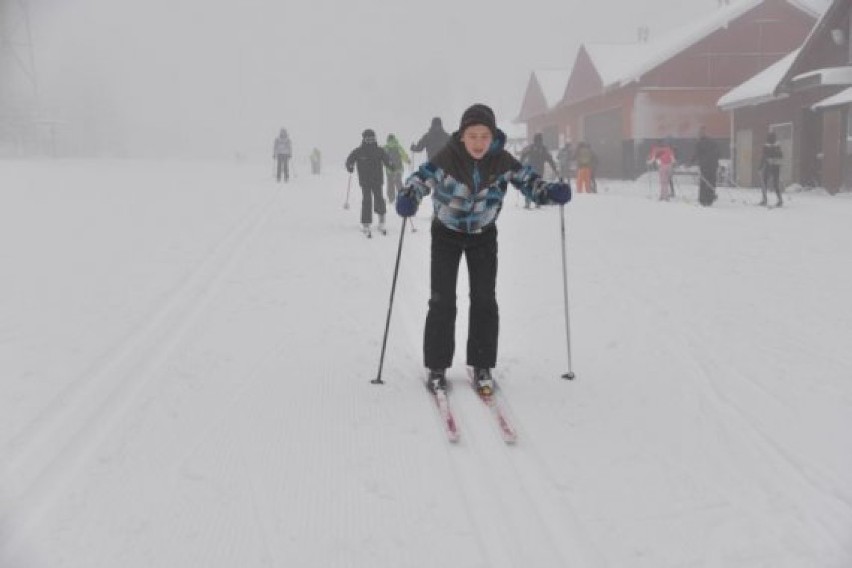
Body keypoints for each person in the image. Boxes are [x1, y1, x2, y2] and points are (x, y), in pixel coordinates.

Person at [394, 103, 571, 396]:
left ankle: (482, 364)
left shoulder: (501, 161)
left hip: (483, 236)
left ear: (492, 137)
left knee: (485, 300)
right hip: (446, 235)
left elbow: (529, 181)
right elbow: (420, 179)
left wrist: (550, 192)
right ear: (463, 135)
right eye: (473, 136)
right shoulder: (448, 157)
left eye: (484, 136)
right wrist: (409, 196)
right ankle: (437, 366)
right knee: (442, 300)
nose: (478, 142)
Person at [346, 129, 393, 235]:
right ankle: (366, 222)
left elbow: (387, 160)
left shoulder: (379, 150)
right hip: (365, 180)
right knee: (367, 200)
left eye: (372, 139)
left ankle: (381, 221)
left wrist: (391, 164)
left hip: (377, 180)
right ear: (364, 139)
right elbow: (350, 160)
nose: (370, 141)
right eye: (368, 139)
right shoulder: (358, 151)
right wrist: (349, 166)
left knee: (379, 199)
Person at [519, 133, 559, 208]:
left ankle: (528, 203)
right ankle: (537, 202)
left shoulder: (531, 148)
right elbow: (550, 160)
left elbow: (523, 155)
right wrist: (555, 169)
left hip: (531, 170)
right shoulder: (543, 149)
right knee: (538, 186)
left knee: (529, 186)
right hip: (539, 170)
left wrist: (519, 165)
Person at [691, 126, 720, 206]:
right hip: (713, 166)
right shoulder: (713, 142)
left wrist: (690, 163)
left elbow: (696, 154)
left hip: (705, 166)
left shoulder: (699, 143)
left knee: (704, 182)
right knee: (712, 182)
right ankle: (710, 199)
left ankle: (703, 199)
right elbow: (718, 153)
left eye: (699, 133)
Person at [383, 134, 410, 203]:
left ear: (388, 140)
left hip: (389, 170)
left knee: (390, 184)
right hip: (399, 169)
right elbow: (403, 155)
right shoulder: (398, 147)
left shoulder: (385, 148)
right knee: (398, 183)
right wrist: (408, 160)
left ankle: (391, 198)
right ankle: (402, 197)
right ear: (394, 139)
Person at [759, 131, 783, 207]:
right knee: (775, 184)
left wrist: (760, 166)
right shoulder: (777, 147)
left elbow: (763, 157)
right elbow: (781, 156)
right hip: (776, 166)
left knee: (764, 183)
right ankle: (779, 200)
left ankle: (765, 200)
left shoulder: (766, 146)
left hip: (768, 166)